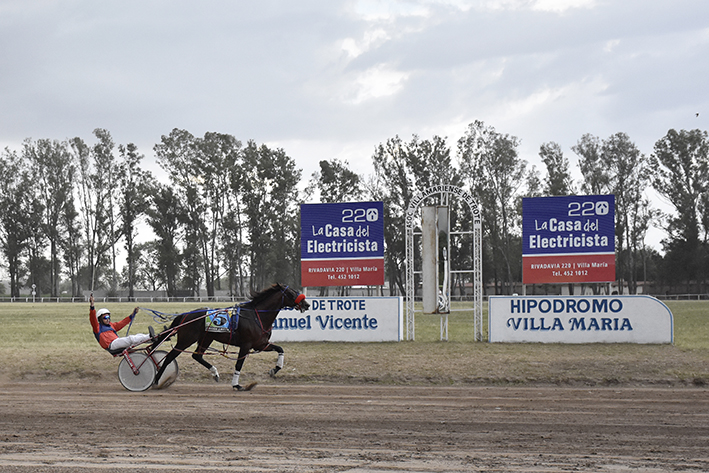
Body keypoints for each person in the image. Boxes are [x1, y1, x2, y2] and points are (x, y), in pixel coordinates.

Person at [89, 294, 156, 353]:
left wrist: (132, 314)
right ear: (100, 319)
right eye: (105, 317)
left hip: (117, 342)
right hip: (111, 345)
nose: (108, 319)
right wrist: (92, 305)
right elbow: (92, 319)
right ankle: (150, 337)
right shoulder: (97, 328)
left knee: (138, 335)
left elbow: (122, 322)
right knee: (130, 339)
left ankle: (153, 338)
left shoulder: (112, 325)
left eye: (108, 317)